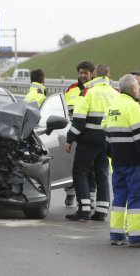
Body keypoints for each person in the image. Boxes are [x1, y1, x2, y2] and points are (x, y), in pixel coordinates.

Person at [65, 64, 119, 221]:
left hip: (88, 139)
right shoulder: (115, 93)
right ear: (109, 75)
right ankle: (101, 211)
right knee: (102, 173)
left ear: (94, 74)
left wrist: (70, 139)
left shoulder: (87, 92)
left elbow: (79, 121)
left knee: (80, 171)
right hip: (108, 138)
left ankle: (83, 209)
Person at [103, 74, 140, 246]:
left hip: (117, 160)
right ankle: (136, 236)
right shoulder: (134, 107)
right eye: (138, 87)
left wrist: (112, 155)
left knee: (119, 197)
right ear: (133, 88)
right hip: (134, 161)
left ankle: (116, 235)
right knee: (136, 198)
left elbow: (108, 136)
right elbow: (138, 137)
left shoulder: (112, 107)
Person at [63, 60, 97, 207]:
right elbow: (64, 111)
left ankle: (89, 198)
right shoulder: (71, 89)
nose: (83, 75)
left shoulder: (95, 90)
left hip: (88, 135)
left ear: (92, 74)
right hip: (71, 131)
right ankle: (70, 194)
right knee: (70, 166)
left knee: (91, 169)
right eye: (81, 73)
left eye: (86, 73)